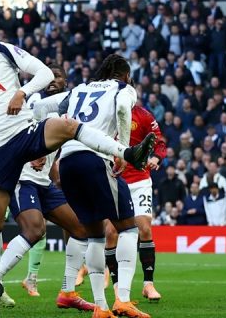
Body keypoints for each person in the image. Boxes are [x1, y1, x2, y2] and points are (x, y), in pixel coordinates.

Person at [0, 16, 155, 318]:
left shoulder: (5, 52)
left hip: (24, 132)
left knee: (69, 126)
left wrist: (22, 91)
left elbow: (44, 74)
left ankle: (126, 152)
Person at [36, 54, 152, 318]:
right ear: (124, 75)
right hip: (95, 159)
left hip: (68, 162)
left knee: (95, 235)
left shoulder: (78, 89)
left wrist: (41, 148)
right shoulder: (123, 88)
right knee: (128, 228)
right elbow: (123, 110)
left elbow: (41, 109)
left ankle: (100, 307)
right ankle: (122, 299)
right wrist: (122, 151)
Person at [0, 65, 94, 312]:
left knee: (80, 229)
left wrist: (56, 176)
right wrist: (33, 151)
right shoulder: (34, 101)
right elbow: (17, 133)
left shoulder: (64, 109)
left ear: (65, 81)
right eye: (49, 77)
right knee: (34, 230)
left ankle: (68, 291)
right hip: (23, 178)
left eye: (58, 77)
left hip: (43, 183)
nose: (53, 81)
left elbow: (54, 151)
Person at [103, 104, 167, 302]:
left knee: (145, 229)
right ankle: (116, 286)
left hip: (139, 181)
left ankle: (148, 284)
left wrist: (156, 157)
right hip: (113, 179)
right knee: (111, 233)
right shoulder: (105, 112)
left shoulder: (144, 115)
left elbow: (160, 141)